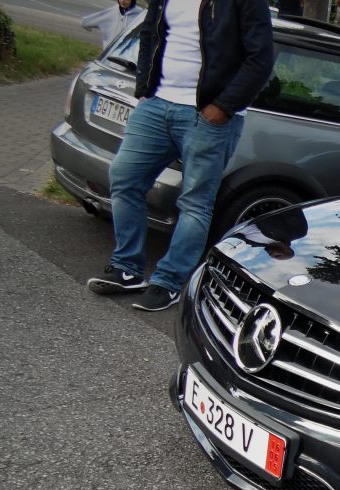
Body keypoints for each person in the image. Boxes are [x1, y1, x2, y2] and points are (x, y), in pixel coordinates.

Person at [86, 0, 275, 311]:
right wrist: (144, 88)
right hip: (157, 104)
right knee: (124, 177)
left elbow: (261, 59)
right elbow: (150, 35)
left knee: (195, 201)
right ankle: (127, 269)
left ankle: (168, 282)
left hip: (208, 114)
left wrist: (223, 106)